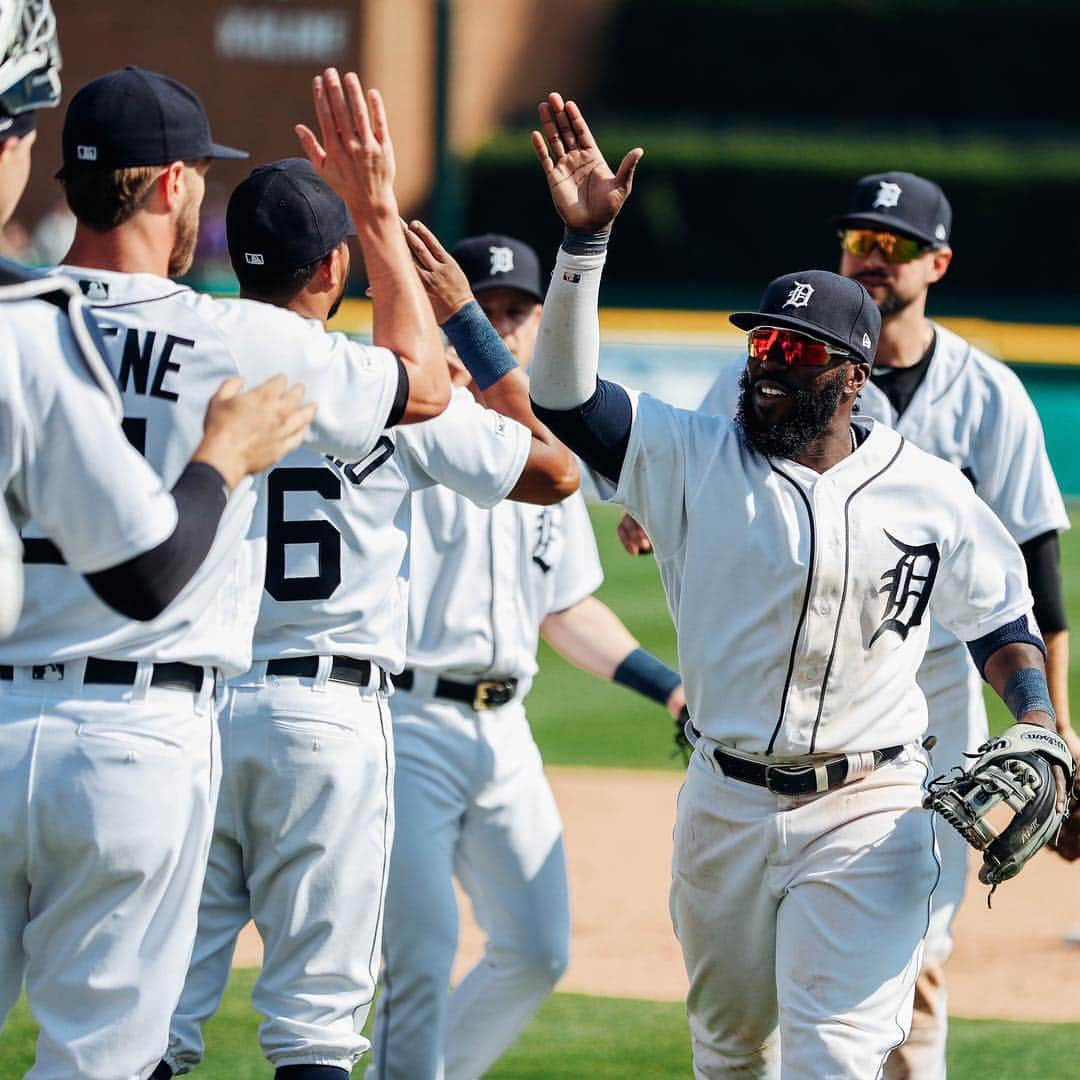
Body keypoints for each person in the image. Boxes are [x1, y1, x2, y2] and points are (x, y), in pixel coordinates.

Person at [525, 91, 1071, 1079]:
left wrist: (1036, 714)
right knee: (732, 1053)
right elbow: (563, 397)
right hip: (723, 805)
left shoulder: (931, 489)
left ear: (851, 375)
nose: (768, 366)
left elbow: (1003, 613)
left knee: (836, 1058)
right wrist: (583, 250)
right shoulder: (693, 453)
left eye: (796, 351)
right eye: (760, 344)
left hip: (873, 808)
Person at [0, 64, 449, 1079]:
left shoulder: (12, 325)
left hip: (0, 714)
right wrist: (376, 209)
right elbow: (421, 389)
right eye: (196, 170)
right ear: (170, 186)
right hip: (133, 737)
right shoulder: (234, 336)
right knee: (100, 1059)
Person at [155, 159, 578, 1079]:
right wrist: (461, 317)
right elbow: (555, 472)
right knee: (315, 1026)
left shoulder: (187, 361)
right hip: (326, 717)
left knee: (155, 1020)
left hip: (195, 707)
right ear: (332, 269)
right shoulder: (390, 391)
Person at [370, 230, 687, 1080]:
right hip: (408, 721)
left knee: (538, 948)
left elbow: (565, 607)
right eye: (487, 309)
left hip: (505, 734)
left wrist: (668, 689)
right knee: (420, 960)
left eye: (518, 311)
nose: (504, 327)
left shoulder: (549, 456)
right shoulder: (412, 425)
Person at [0, 1, 314, 637]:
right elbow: (422, 392)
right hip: (142, 707)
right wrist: (226, 452)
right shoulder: (26, 326)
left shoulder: (32, 313)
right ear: (174, 183)